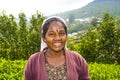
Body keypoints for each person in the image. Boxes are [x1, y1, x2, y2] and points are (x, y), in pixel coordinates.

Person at [24, 16, 90, 80]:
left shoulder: (77, 59)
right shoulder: (33, 61)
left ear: (66, 35)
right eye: (51, 34)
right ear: (44, 38)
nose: (57, 38)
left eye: (61, 33)